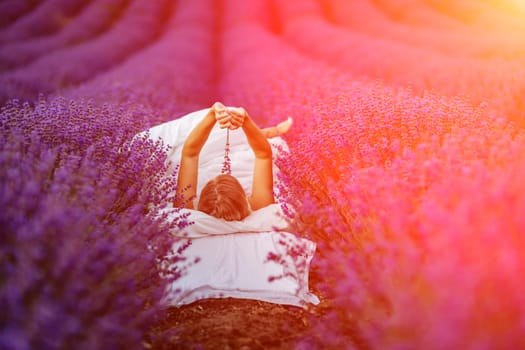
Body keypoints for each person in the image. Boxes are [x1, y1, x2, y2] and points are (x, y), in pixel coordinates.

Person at [176, 102, 292, 221]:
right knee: (242, 140)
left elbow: (190, 154)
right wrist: (245, 120)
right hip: (242, 160)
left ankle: (271, 131)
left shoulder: (185, 212)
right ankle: (275, 131)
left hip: (212, 156)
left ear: (200, 204)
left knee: (227, 139)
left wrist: (212, 114)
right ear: (244, 200)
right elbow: (263, 154)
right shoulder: (258, 205)